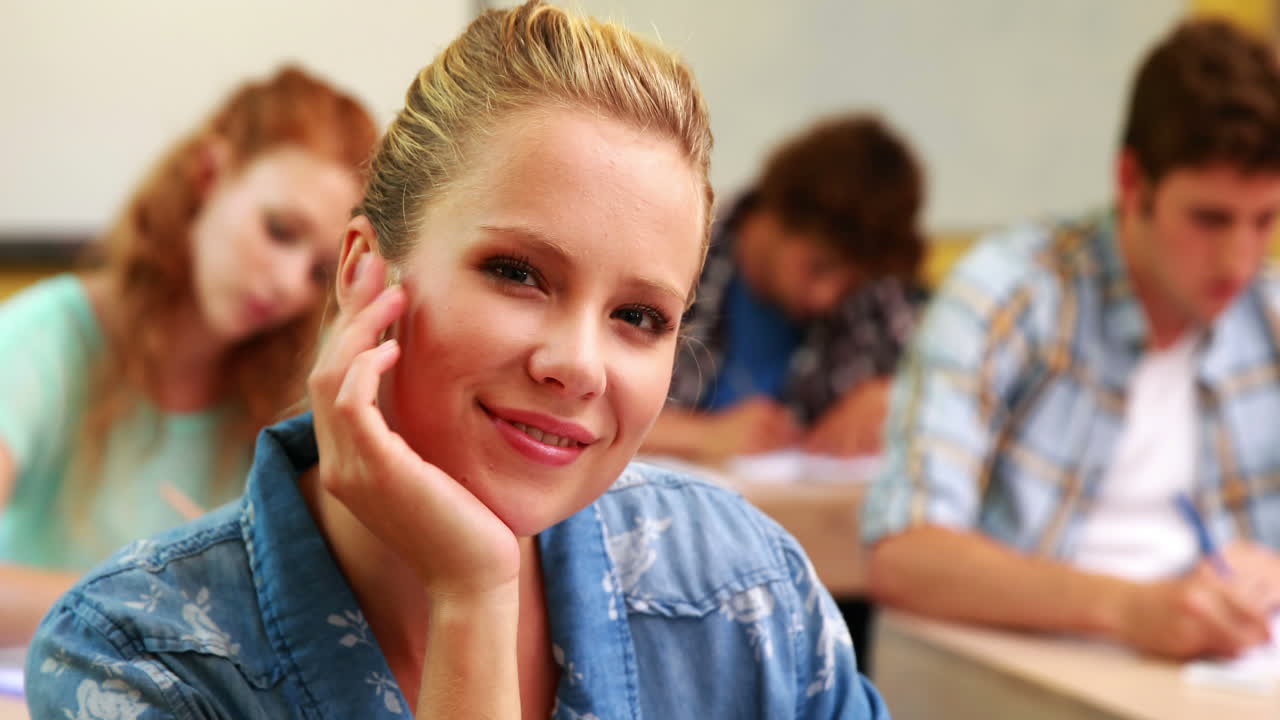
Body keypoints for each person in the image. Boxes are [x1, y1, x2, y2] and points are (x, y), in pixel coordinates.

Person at [25, 3, 890, 718]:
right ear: (364, 273)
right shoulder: (136, 655)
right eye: (517, 273)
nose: (579, 365)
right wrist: (473, 598)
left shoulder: (742, 592)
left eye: (640, 317)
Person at [863, 17, 1280, 660]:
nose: (1239, 259)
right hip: (1036, 681)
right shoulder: (1012, 293)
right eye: (1209, 219)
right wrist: (1128, 607)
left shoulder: (1269, 312)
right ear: (1131, 181)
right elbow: (903, 554)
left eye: (1266, 220)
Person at [0, 66, 376, 643]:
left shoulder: (291, 390)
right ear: (209, 174)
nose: (288, 284)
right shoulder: (42, 341)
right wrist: (150, 594)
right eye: (278, 230)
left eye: (320, 271)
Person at [643, 115, 927, 465]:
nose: (826, 296)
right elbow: (584, 400)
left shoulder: (876, 298)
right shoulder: (669, 257)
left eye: (849, 282)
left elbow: (964, 383)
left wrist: (899, 395)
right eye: (818, 266)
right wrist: (701, 435)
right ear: (774, 213)